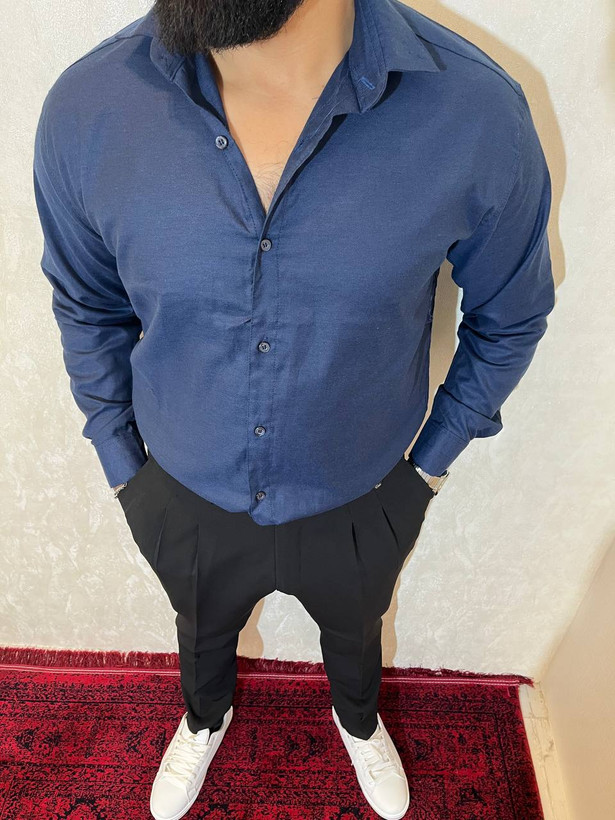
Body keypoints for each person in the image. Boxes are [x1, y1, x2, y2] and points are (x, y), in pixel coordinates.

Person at [32, 0, 555, 817]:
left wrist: (423, 474)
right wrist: (122, 468)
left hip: (363, 495)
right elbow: (86, 308)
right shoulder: (89, 108)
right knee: (199, 629)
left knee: (356, 632)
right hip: (180, 490)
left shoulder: (474, 113)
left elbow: (509, 319)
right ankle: (204, 717)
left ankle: (358, 720)